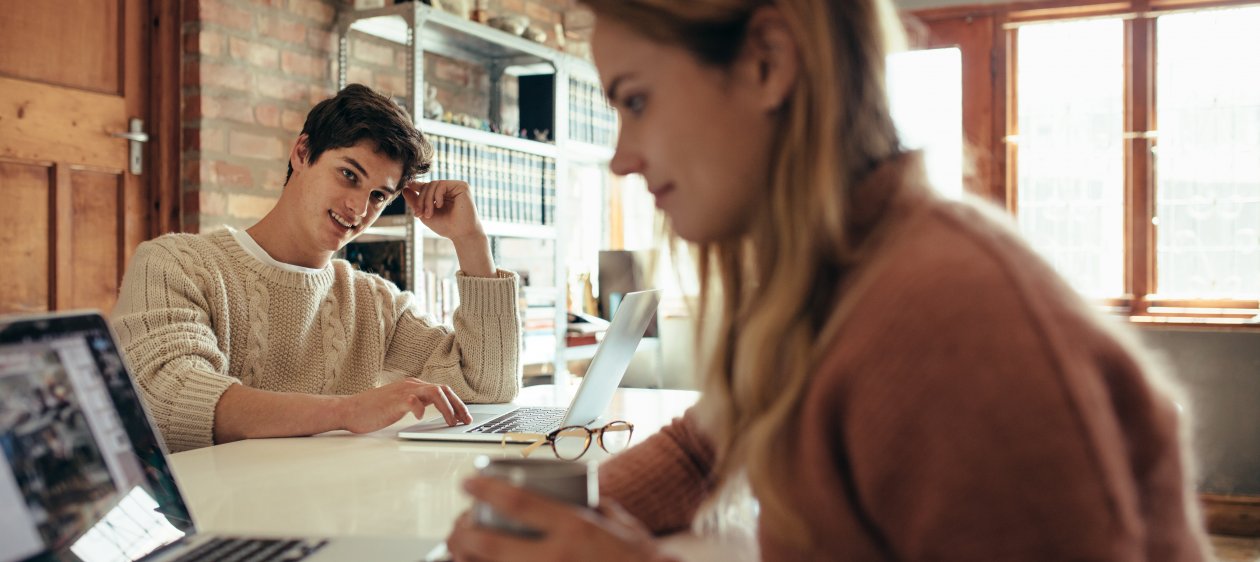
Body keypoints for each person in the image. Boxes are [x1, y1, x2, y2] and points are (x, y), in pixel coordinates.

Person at [445, 1, 1211, 560]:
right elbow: (699, 452)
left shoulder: (946, 315)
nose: (621, 157)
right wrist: (531, 534)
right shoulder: (828, 285)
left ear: (768, 62)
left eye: (636, 101)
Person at [112, 84, 521, 454]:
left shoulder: (373, 301)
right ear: (302, 152)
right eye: (349, 175)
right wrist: (347, 411)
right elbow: (165, 403)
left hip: (331, 517)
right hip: (213, 519)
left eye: (378, 196)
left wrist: (471, 242)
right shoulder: (177, 264)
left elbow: (487, 386)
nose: (358, 209)